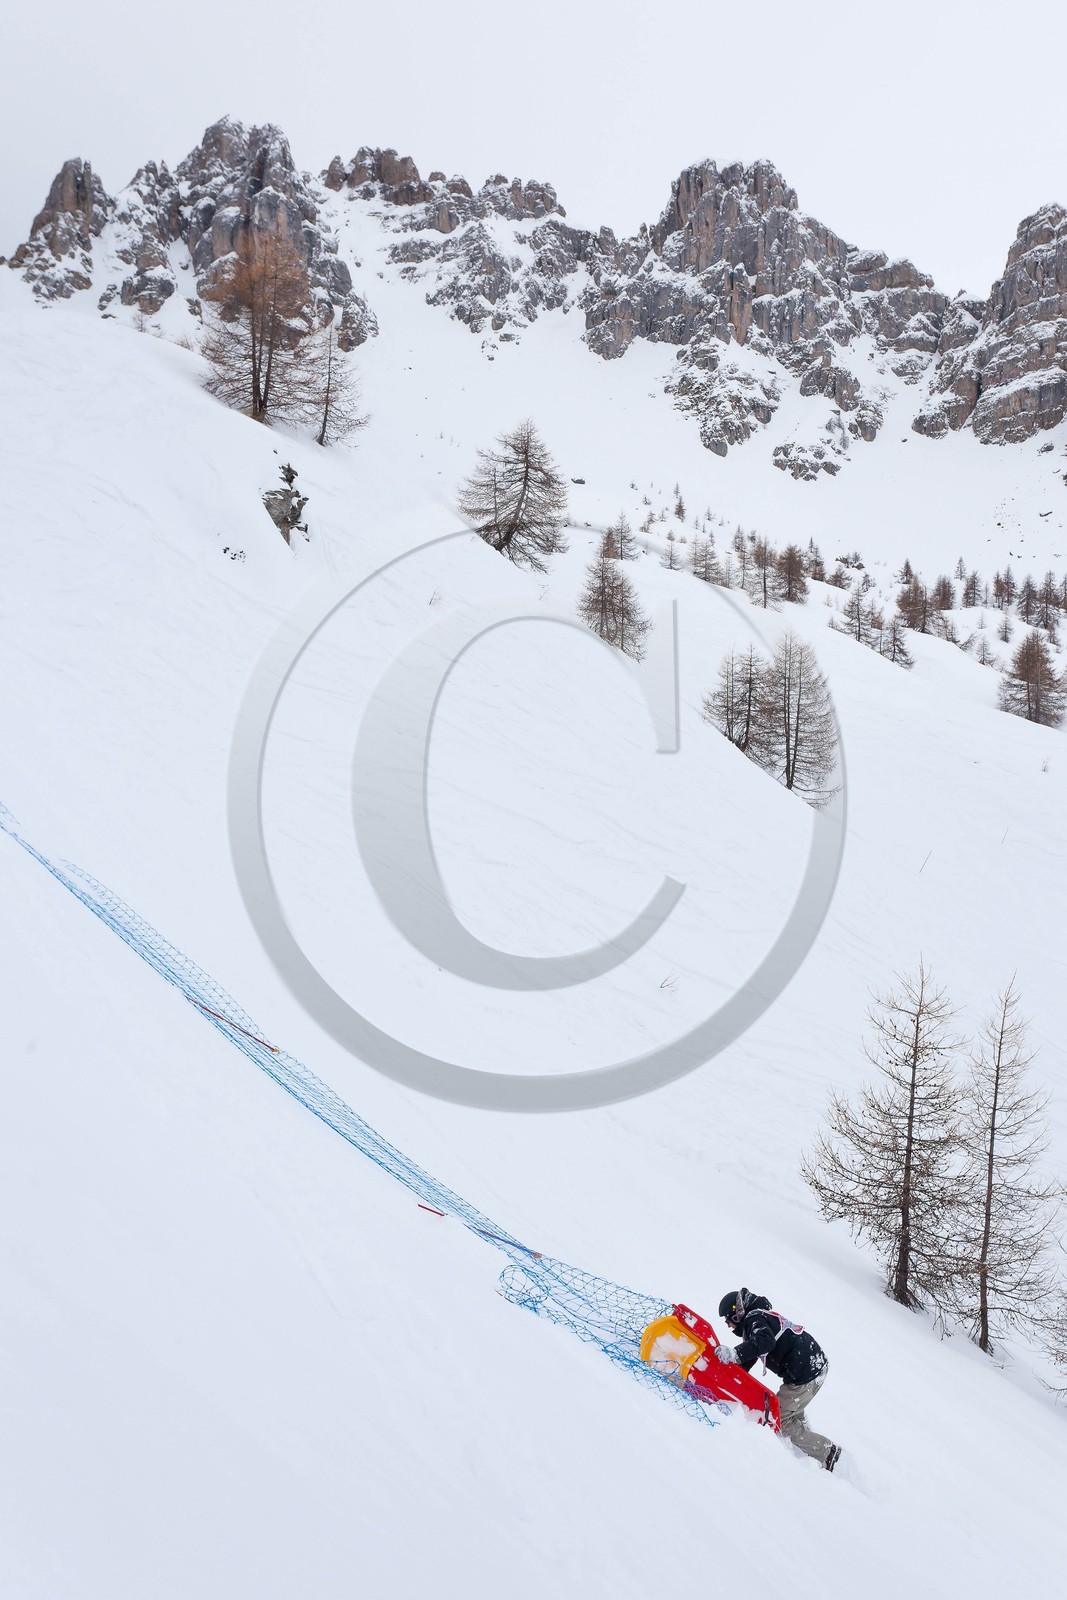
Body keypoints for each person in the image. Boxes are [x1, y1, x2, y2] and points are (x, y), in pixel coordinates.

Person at [717, 1288, 841, 1472]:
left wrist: (735, 1354)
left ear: (736, 1314)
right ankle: (805, 1443)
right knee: (791, 1410)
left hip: (805, 1375)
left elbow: (765, 1343)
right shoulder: (758, 1316)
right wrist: (729, 1372)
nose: (728, 1326)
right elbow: (753, 1351)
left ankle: (826, 1452)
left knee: (778, 1420)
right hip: (814, 1367)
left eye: (728, 1320)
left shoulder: (754, 1319)